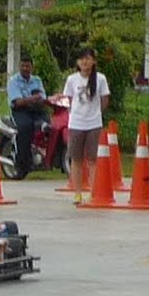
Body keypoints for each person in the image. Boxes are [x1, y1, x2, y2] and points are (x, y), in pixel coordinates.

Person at [62, 47, 109, 204]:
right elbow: (68, 98)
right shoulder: (72, 79)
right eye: (82, 59)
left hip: (94, 123)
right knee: (76, 159)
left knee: (92, 159)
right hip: (76, 123)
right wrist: (74, 113)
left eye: (88, 58)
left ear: (93, 61)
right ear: (77, 62)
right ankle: (77, 193)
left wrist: (96, 114)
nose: (85, 62)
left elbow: (104, 99)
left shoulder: (100, 79)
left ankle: (93, 191)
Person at [7, 56, 49, 174]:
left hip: (36, 110)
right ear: (19, 67)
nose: (25, 68)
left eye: (28, 66)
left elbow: (43, 97)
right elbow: (17, 101)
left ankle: (44, 156)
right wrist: (32, 99)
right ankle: (22, 163)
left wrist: (42, 100)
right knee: (25, 128)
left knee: (49, 127)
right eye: (23, 66)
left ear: (32, 67)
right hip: (20, 111)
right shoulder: (13, 81)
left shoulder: (37, 80)